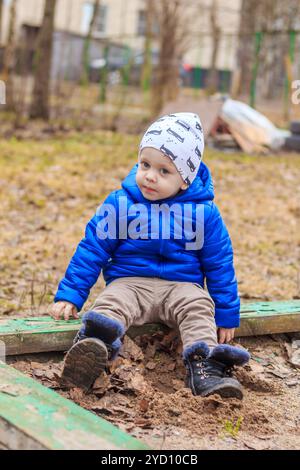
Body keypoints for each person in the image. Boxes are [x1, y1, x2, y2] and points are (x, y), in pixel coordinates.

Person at [49, 112, 250, 398]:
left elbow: (219, 264)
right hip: (130, 282)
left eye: (164, 171)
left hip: (181, 287)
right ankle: (93, 347)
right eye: (145, 165)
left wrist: (227, 313)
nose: (150, 176)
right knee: (111, 303)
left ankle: (205, 369)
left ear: (185, 179)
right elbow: (92, 249)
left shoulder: (204, 214)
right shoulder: (121, 204)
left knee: (198, 306)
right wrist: (70, 295)